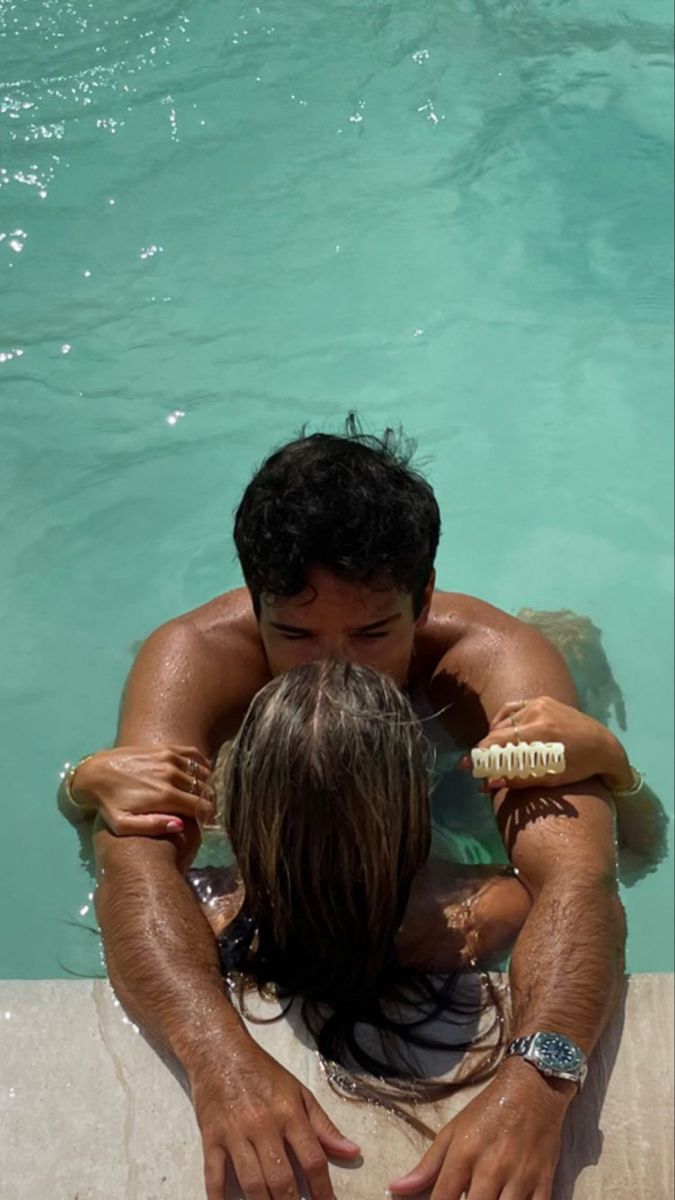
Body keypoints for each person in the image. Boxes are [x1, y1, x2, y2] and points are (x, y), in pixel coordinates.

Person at [64, 418, 636, 1200]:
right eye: (294, 633)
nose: (333, 664)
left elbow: (581, 879)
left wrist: (538, 1082)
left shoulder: (489, 661)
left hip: (450, 753)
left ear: (424, 600)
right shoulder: (196, 655)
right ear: (254, 601)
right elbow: (132, 870)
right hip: (277, 758)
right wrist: (219, 1059)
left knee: (565, 645)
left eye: (372, 633)